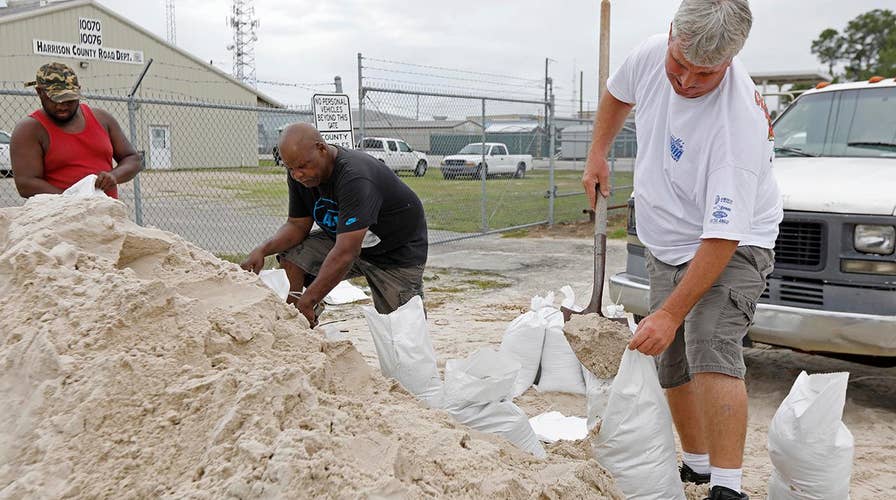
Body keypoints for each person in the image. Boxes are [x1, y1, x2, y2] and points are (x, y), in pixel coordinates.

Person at [582, 1, 782, 499]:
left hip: (733, 241)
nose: (687, 81)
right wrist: (598, 153)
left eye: (705, 73)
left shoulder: (736, 128)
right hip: (664, 232)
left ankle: (728, 486)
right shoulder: (653, 54)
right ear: (671, 34)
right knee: (669, 356)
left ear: (730, 61)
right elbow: (616, 93)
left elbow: (722, 237)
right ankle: (695, 465)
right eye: (681, 64)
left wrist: (671, 313)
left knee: (708, 341)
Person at [241, 123, 428, 326]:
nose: (297, 174)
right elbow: (297, 225)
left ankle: (306, 305)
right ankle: (297, 322)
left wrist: (310, 297)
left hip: (395, 254)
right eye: (290, 168)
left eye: (302, 166)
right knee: (292, 254)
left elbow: (346, 252)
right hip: (347, 242)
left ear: (321, 148)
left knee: (402, 330)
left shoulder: (355, 177)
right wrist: (262, 249)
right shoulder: (299, 173)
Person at [11, 62, 141, 199]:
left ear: (78, 90)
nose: (62, 106)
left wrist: (114, 176)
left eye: (69, 99)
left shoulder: (102, 119)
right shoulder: (29, 130)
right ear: (39, 92)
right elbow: (26, 184)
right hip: (60, 216)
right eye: (55, 99)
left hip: (105, 214)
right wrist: (74, 199)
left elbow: (132, 159)